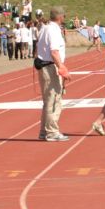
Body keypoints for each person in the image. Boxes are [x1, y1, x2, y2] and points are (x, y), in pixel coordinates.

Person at [35, 7, 71, 142]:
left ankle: (44, 131)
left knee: (48, 101)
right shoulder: (53, 30)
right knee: (54, 100)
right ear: (61, 17)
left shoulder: (45, 28)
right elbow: (54, 51)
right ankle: (52, 132)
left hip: (45, 66)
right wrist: (62, 67)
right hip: (50, 67)